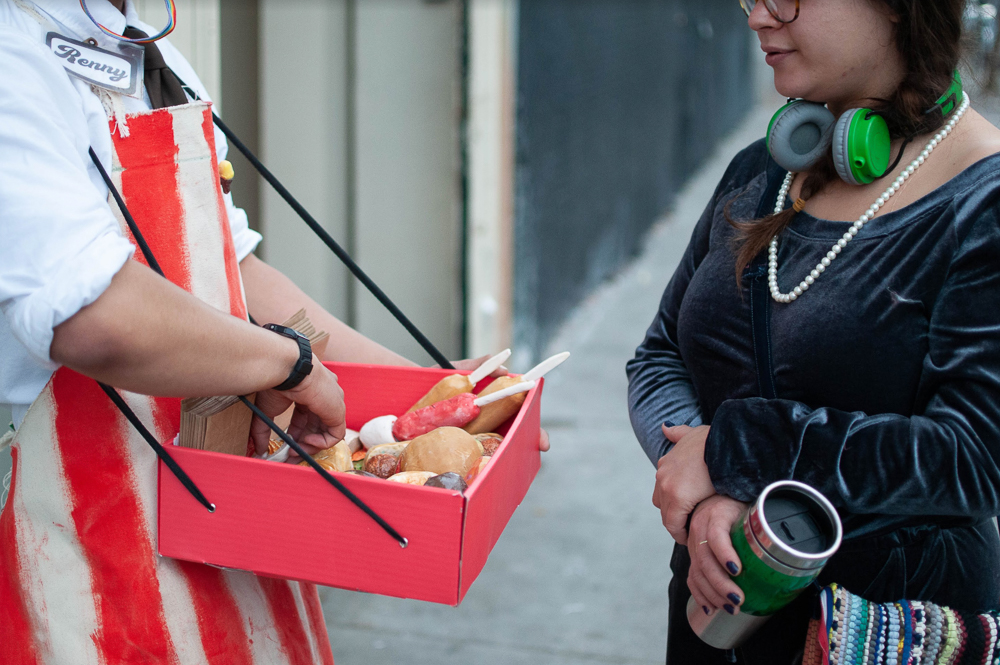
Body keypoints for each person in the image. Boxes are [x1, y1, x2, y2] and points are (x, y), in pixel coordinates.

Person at [0, 0, 543, 662]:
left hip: (223, 517)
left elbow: (238, 271)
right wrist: (288, 365)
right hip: (68, 536)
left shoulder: (151, 49)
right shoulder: (13, 57)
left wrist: (428, 397)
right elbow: (95, 317)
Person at [627, 0, 1000, 662]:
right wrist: (708, 503)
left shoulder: (983, 201)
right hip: (715, 607)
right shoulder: (759, 169)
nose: (758, 17)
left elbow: (974, 456)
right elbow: (658, 357)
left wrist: (737, 449)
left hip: (887, 627)